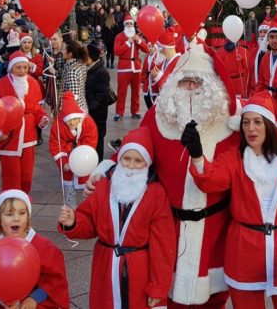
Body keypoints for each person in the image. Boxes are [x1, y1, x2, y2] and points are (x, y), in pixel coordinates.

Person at [85, 44, 242, 307]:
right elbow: (133, 151)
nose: (191, 90)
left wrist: (199, 158)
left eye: (197, 82)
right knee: (163, 291)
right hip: (167, 226)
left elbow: (225, 178)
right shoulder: (157, 118)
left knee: (213, 296)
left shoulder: (228, 125)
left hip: (213, 230)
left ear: (212, 86)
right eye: (184, 83)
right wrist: (105, 171)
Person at [183, 91, 277, 308]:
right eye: (246, 122)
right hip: (244, 251)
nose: (251, 128)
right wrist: (197, 155)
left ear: (269, 124)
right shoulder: (235, 157)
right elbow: (211, 180)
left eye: (258, 122)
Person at [59, 126, 176, 309]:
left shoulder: (156, 194)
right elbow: (89, 222)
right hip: (105, 266)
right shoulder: (104, 186)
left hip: (139, 269)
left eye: (138, 161)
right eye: (126, 159)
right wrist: (74, 221)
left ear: (147, 163)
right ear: (119, 159)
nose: (130, 166)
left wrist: (158, 288)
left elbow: (163, 245)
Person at [0, 190, 70, 308]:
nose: (16, 218)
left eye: (22, 213)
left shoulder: (45, 248)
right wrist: (0, 300)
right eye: (9, 214)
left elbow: (55, 280)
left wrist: (34, 299)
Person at [0, 51, 49, 193]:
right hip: (9, 137)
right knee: (11, 177)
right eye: (18, 67)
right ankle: (10, 206)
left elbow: (37, 107)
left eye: (25, 67)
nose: (22, 71)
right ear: (11, 68)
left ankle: (23, 203)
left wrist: (42, 119)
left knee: (26, 176)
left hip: (28, 137)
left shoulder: (33, 83)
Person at [49, 91, 98, 194]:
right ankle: (70, 204)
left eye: (75, 119)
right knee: (68, 185)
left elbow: (91, 141)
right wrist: (63, 162)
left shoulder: (88, 122)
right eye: (68, 120)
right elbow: (56, 145)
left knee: (85, 182)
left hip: (84, 158)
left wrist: (82, 156)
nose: (72, 123)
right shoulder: (58, 126)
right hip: (66, 154)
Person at [113, 15, 143, 121]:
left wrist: (138, 41)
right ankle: (119, 113)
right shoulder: (119, 37)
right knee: (122, 92)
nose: (130, 25)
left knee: (136, 92)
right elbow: (117, 51)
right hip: (124, 68)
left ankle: (135, 111)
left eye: (131, 24)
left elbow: (146, 49)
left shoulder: (136, 36)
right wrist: (128, 42)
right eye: (128, 24)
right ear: (124, 25)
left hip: (136, 67)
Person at [85, 43, 111, 159]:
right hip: (91, 112)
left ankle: (98, 162)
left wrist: (90, 106)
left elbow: (102, 94)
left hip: (97, 114)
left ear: (91, 57)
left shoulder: (101, 72)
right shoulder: (89, 69)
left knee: (98, 140)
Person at [61, 40, 88, 111]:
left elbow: (74, 96)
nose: (62, 52)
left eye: (64, 49)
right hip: (81, 107)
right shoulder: (79, 65)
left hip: (75, 112)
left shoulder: (72, 71)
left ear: (70, 54)